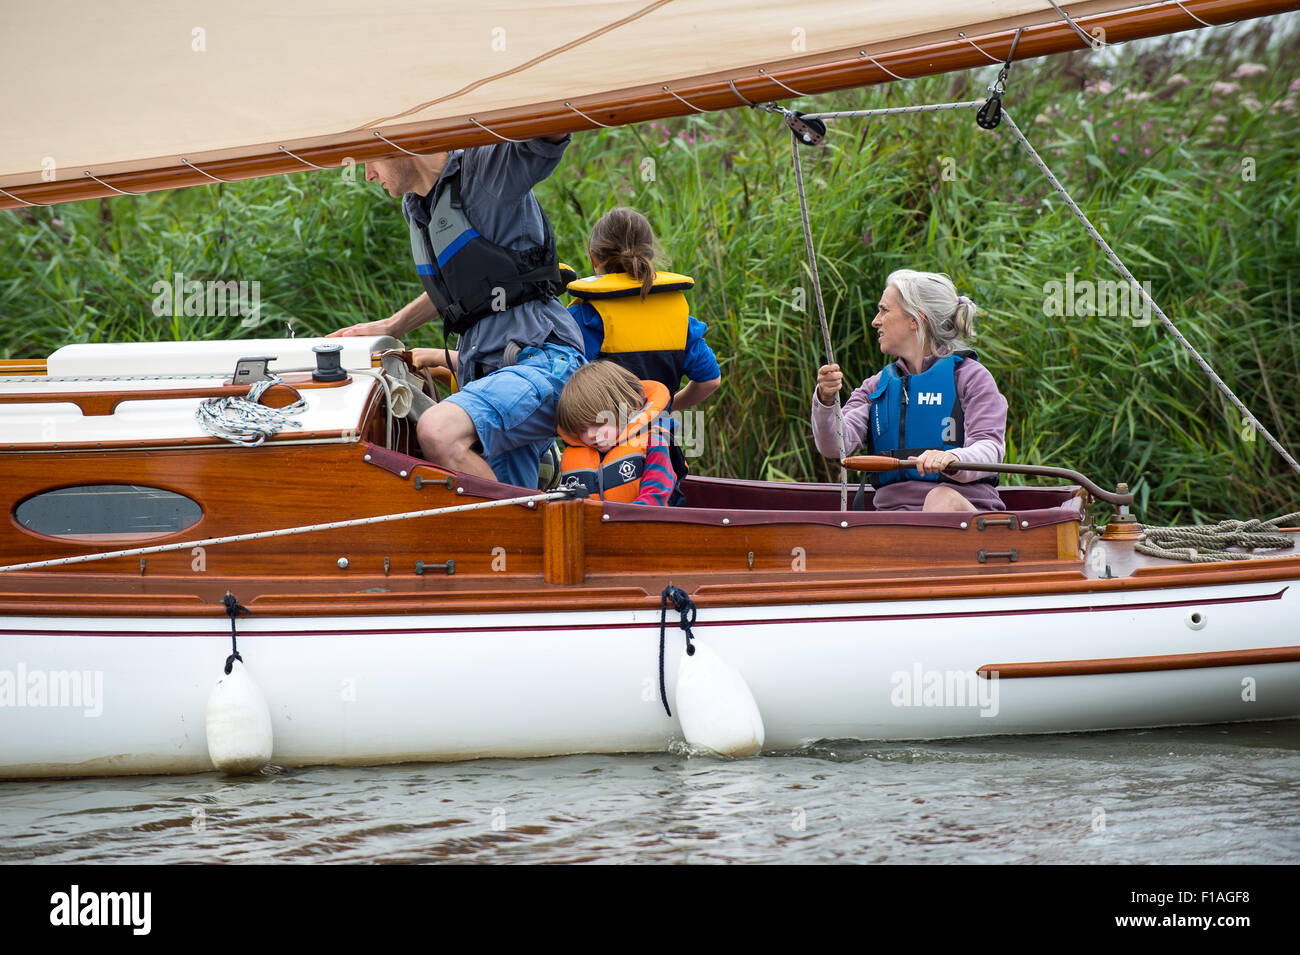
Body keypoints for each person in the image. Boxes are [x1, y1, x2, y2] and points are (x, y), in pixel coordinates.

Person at [329, 135, 585, 490]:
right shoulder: (417, 206)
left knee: (437, 431)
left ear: (401, 145)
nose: (368, 175)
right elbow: (464, 289)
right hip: (483, 373)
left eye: (369, 161)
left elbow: (548, 137)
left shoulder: (487, 170)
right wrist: (392, 326)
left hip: (543, 361)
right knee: (507, 509)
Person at [811, 270, 1007, 512]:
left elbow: (990, 447)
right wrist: (826, 399)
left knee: (940, 499)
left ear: (915, 320)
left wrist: (953, 458)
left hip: (964, 517)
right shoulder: (877, 385)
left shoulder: (971, 378)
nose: (876, 320)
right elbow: (834, 445)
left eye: (884, 310)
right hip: (894, 520)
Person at [564, 208, 720, 410]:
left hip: (601, 439)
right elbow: (710, 381)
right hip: (659, 438)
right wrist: (665, 407)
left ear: (593, 258)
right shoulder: (679, 320)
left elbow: (560, 384)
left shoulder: (583, 318)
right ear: (651, 255)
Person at [555, 361, 682, 506]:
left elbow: (655, 498)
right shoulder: (571, 456)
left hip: (642, 525)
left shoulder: (653, 443)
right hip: (592, 527)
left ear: (626, 409)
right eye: (582, 429)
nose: (591, 434)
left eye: (598, 424)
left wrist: (617, 522)